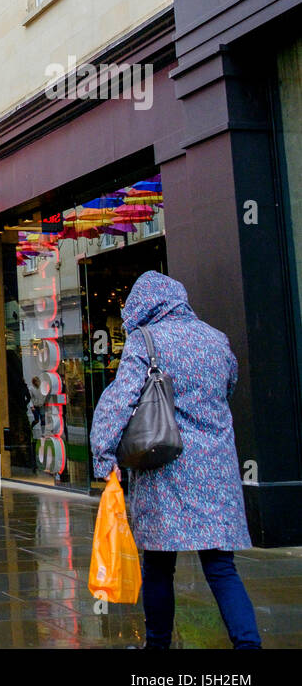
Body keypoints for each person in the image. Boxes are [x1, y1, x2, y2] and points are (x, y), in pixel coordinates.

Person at [90, 271, 261, 650]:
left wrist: (103, 456)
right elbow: (227, 388)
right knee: (221, 568)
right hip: (216, 470)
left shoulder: (145, 342)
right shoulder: (217, 340)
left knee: (159, 567)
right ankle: (249, 644)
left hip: (165, 468)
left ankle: (158, 645)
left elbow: (118, 404)